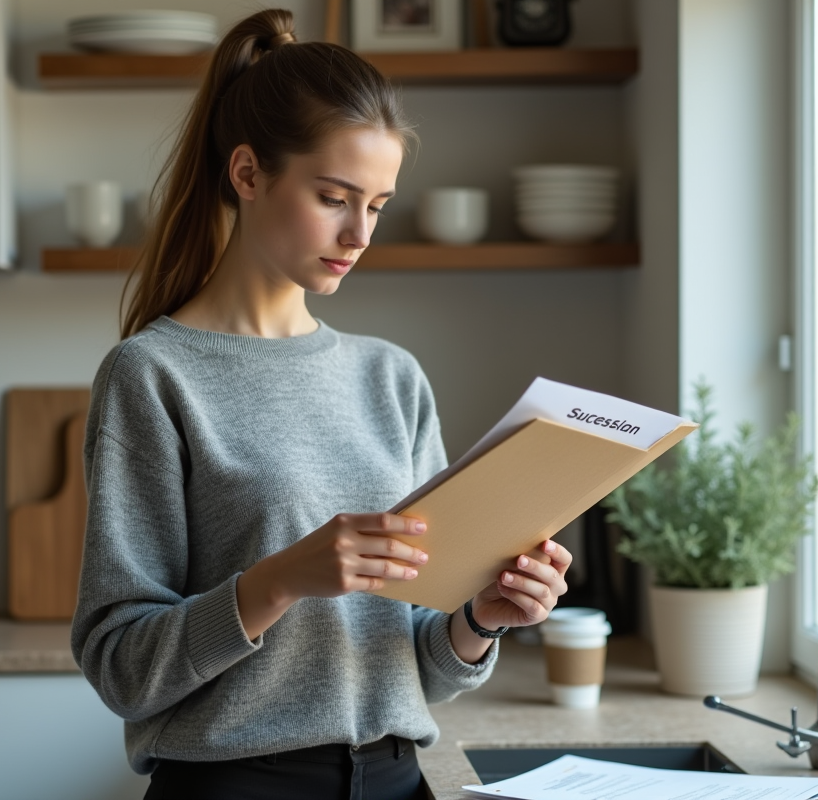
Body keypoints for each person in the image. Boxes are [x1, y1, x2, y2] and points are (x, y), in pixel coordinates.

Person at [70, 9, 572, 800]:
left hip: (397, 781)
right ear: (247, 174)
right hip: (234, 788)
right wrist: (279, 580)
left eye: (376, 205)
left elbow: (423, 665)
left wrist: (481, 619)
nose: (359, 233)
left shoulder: (392, 378)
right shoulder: (152, 375)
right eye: (335, 196)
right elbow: (119, 667)